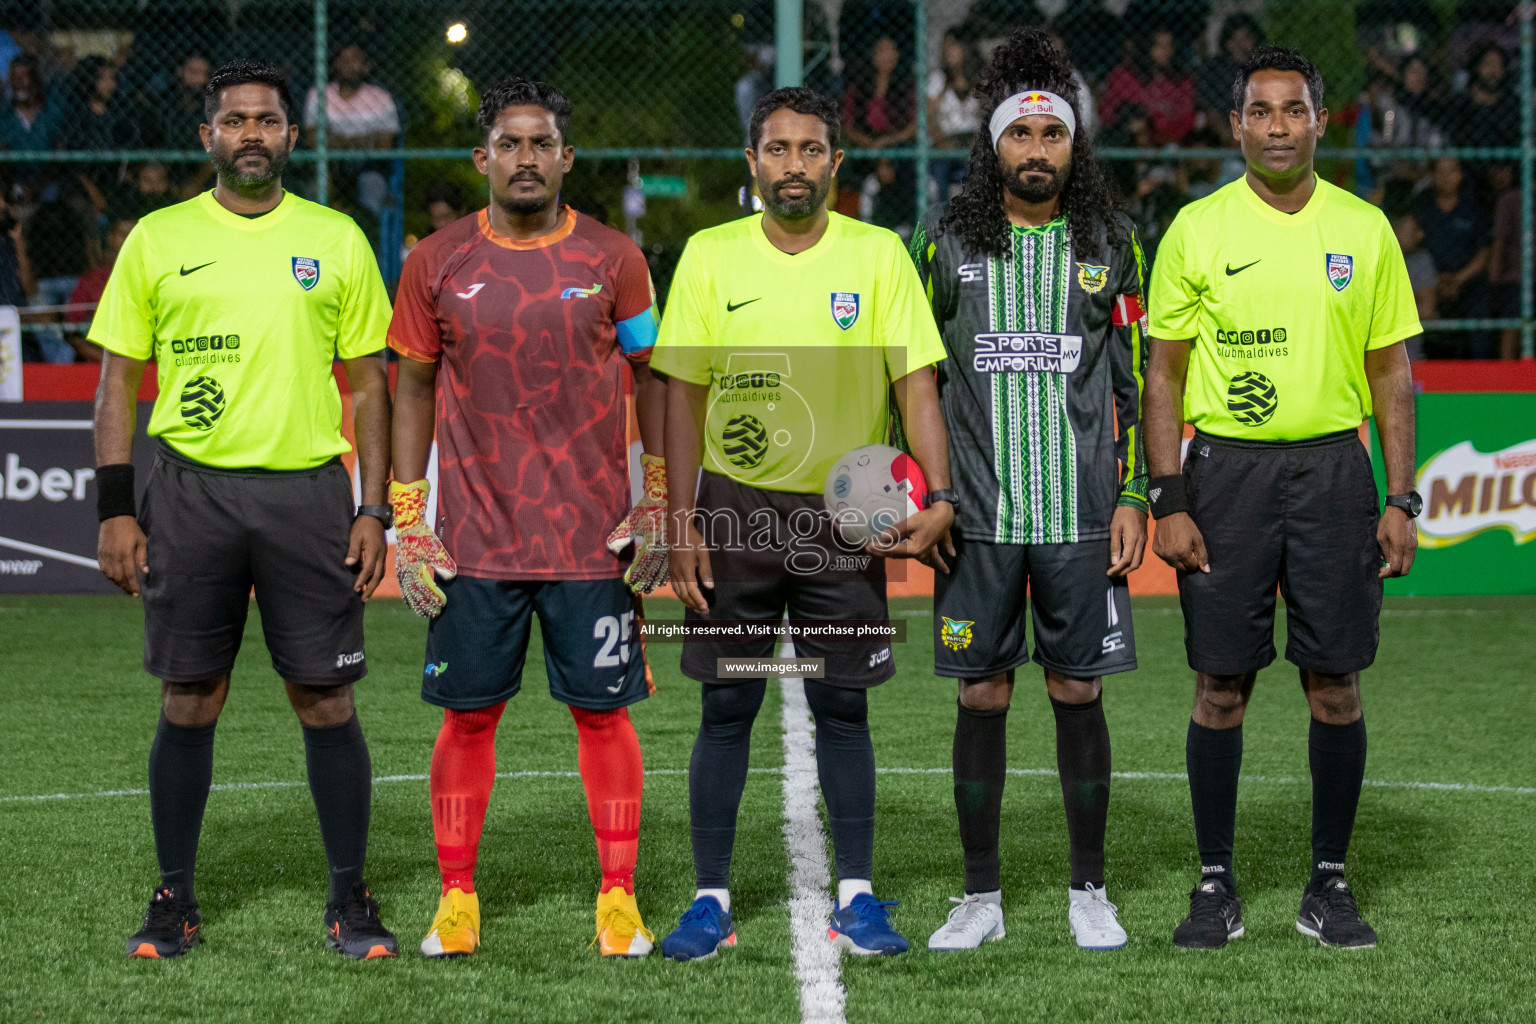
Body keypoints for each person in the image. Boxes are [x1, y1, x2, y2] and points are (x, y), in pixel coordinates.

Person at [89, 58, 398, 960]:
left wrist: (373, 506)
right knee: (190, 697)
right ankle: (173, 899)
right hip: (188, 494)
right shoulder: (156, 237)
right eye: (235, 121)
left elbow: (371, 386)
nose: (252, 134)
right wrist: (117, 507)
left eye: (267, 120)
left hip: (308, 493)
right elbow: (117, 382)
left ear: (292, 136)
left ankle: (350, 899)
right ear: (208, 137)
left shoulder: (337, 239)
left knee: (325, 698)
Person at [654, 86, 954, 961]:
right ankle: (709, 899)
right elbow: (680, 393)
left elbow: (917, 386)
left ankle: (857, 897)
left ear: (836, 163)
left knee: (841, 706)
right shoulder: (710, 256)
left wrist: (939, 498)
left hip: (844, 521)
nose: (794, 165)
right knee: (727, 703)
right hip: (734, 516)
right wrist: (680, 520)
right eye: (778, 149)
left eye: (811, 149)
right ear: (752, 163)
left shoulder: (879, 256)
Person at [1144, 46, 1421, 952]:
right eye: (1259, 112)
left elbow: (1392, 375)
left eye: (1292, 111)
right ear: (1235, 126)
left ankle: (1328, 886)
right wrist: (1169, 495)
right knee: (1219, 684)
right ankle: (1214, 884)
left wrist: (1402, 497)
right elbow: (1164, 373)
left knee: (1334, 684)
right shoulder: (1195, 228)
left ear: (1319, 120)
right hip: (1226, 477)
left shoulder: (1364, 229)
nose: (1276, 127)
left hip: (1337, 477)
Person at [388, 76, 667, 961]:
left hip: (593, 538)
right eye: (509, 144)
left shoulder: (616, 258)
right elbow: (413, 386)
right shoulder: (434, 262)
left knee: (603, 717)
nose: (526, 158)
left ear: (566, 158)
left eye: (541, 143)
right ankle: (457, 898)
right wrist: (407, 514)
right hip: (474, 540)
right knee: (468, 719)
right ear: (482, 159)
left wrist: (656, 496)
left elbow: (654, 377)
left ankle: (617, 897)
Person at [909, 27, 1148, 954]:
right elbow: (913, 377)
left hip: (1082, 517)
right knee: (981, 699)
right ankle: (981, 896)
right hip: (975, 519)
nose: (1037, 151)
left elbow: (1134, 378)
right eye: (1020, 136)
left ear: (1073, 145)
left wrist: (1136, 494)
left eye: (1053, 137)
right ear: (995, 144)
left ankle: (1089, 888)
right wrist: (922, 491)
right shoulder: (941, 242)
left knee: (1078, 691)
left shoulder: (1112, 243)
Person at [304, 43, 400, 215]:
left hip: (370, 165)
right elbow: (313, 139)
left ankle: (367, 232)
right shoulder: (318, 94)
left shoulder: (381, 97)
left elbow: (385, 143)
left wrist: (335, 139)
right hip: (330, 164)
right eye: (343, 59)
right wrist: (362, 140)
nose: (348, 64)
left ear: (366, 66)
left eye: (354, 59)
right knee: (318, 188)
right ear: (335, 64)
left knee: (372, 188)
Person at [1415, 157, 1490, 359]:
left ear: (1460, 175)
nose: (1446, 178)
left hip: (1467, 282)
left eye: (1451, 172)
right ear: (1432, 176)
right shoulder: (1423, 206)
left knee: (1479, 311)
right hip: (1430, 282)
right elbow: (1414, 248)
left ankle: (1480, 370)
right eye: (1440, 172)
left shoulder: (1472, 207)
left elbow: (1484, 253)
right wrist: (1434, 280)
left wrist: (1457, 279)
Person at [843, 36, 918, 231]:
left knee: (900, 167)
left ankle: (899, 224)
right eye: (882, 51)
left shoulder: (906, 87)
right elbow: (848, 127)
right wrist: (872, 146)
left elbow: (913, 127)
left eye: (892, 51)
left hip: (896, 146)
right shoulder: (858, 88)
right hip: (865, 146)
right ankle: (867, 223)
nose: (887, 56)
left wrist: (886, 143)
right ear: (873, 56)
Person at [1099, 27, 1195, 147]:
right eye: (1159, 46)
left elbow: (1187, 117)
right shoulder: (1125, 76)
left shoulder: (1180, 81)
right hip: (1129, 142)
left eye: (1169, 47)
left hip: (1172, 144)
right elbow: (1109, 114)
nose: (1165, 52)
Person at [63, 216, 136, 362]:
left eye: (133, 234)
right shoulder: (92, 280)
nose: (128, 239)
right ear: (111, 238)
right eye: (122, 234)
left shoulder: (153, 276)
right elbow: (72, 332)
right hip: (101, 358)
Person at [926, 31, 981, 201]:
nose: (947, 51)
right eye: (945, 46)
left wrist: (979, 141)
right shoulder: (938, 79)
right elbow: (929, 119)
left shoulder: (980, 79)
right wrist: (942, 141)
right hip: (946, 141)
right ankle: (942, 221)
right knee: (939, 168)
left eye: (952, 46)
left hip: (974, 141)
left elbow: (989, 116)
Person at [1197, 14, 1262, 127]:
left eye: (1246, 39)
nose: (1241, 46)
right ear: (1227, 43)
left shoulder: (1262, 70)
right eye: (1235, 40)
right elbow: (1210, 110)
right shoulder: (1214, 69)